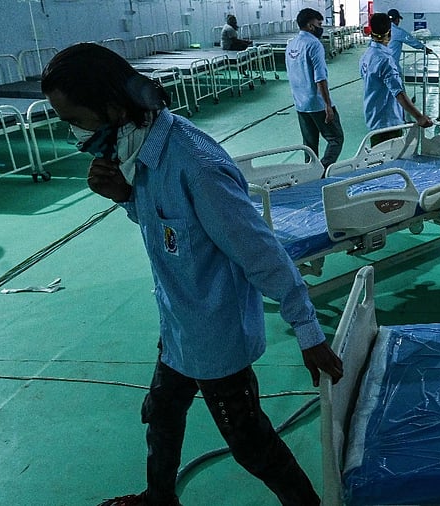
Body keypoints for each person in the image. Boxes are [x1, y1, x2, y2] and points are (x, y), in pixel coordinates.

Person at [40, 42, 343, 506]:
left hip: (215, 336)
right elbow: (174, 233)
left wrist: (307, 330)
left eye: (76, 120)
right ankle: (158, 498)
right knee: (161, 414)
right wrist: (126, 196)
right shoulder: (143, 152)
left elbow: (261, 252)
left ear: (114, 109)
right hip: (179, 324)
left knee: (251, 445)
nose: (73, 132)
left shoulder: (193, 165)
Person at [360, 12, 433, 146]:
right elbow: (399, 94)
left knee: (377, 158)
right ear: (390, 33)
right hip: (388, 121)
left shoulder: (366, 55)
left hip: (373, 115)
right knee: (389, 160)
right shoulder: (386, 60)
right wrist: (420, 117)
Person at [286, 8, 345, 169]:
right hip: (317, 103)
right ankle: (323, 170)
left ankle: (308, 173)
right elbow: (320, 78)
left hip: (300, 103)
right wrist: (327, 105)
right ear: (310, 25)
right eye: (319, 24)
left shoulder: (291, 45)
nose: (321, 27)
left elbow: (291, 74)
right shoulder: (314, 44)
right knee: (336, 138)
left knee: (309, 145)